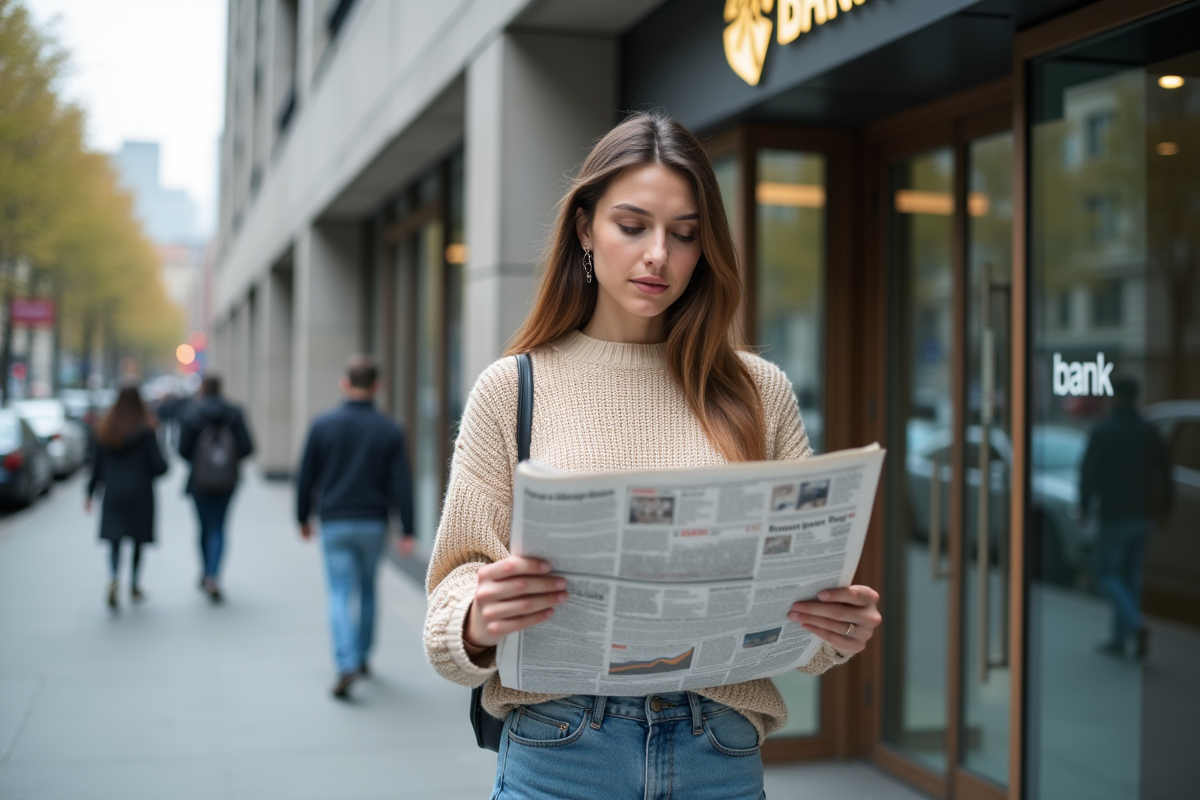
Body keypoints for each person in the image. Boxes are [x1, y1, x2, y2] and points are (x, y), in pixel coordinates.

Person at [424, 112, 882, 799]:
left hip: (718, 752)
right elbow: (448, 606)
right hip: (561, 751)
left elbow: (805, 626)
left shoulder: (759, 391)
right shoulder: (514, 388)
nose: (658, 256)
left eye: (684, 234)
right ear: (585, 227)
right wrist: (479, 619)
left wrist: (838, 628)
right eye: (632, 225)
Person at [296, 355, 415, 699]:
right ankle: (362, 657)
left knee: (338, 591)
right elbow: (402, 483)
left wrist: (302, 517)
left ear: (344, 384)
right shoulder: (390, 428)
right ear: (378, 386)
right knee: (366, 590)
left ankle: (345, 662)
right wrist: (407, 529)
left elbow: (306, 476)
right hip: (374, 523)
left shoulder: (322, 425)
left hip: (334, 521)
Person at [1081, 376, 1173, 658]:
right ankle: (1120, 639)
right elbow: (1164, 473)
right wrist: (1165, 509)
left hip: (1115, 515)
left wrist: (1084, 507)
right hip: (1142, 515)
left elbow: (1088, 473)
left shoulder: (1104, 431)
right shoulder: (1148, 432)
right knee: (1130, 576)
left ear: (1116, 397)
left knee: (1106, 573)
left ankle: (1133, 625)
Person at [85, 384, 168, 610]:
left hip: (113, 492)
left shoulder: (105, 429)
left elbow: (96, 467)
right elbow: (160, 466)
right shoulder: (147, 430)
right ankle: (134, 584)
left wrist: (89, 493)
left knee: (115, 540)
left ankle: (113, 577)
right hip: (141, 492)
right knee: (138, 540)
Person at [178, 374, 254, 603]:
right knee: (219, 527)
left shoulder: (191, 413)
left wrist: (200, 460)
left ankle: (206, 571)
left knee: (203, 527)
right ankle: (213, 575)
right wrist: (225, 459)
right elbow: (248, 447)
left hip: (199, 482)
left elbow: (182, 449)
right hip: (227, 481)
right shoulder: (234, 412)